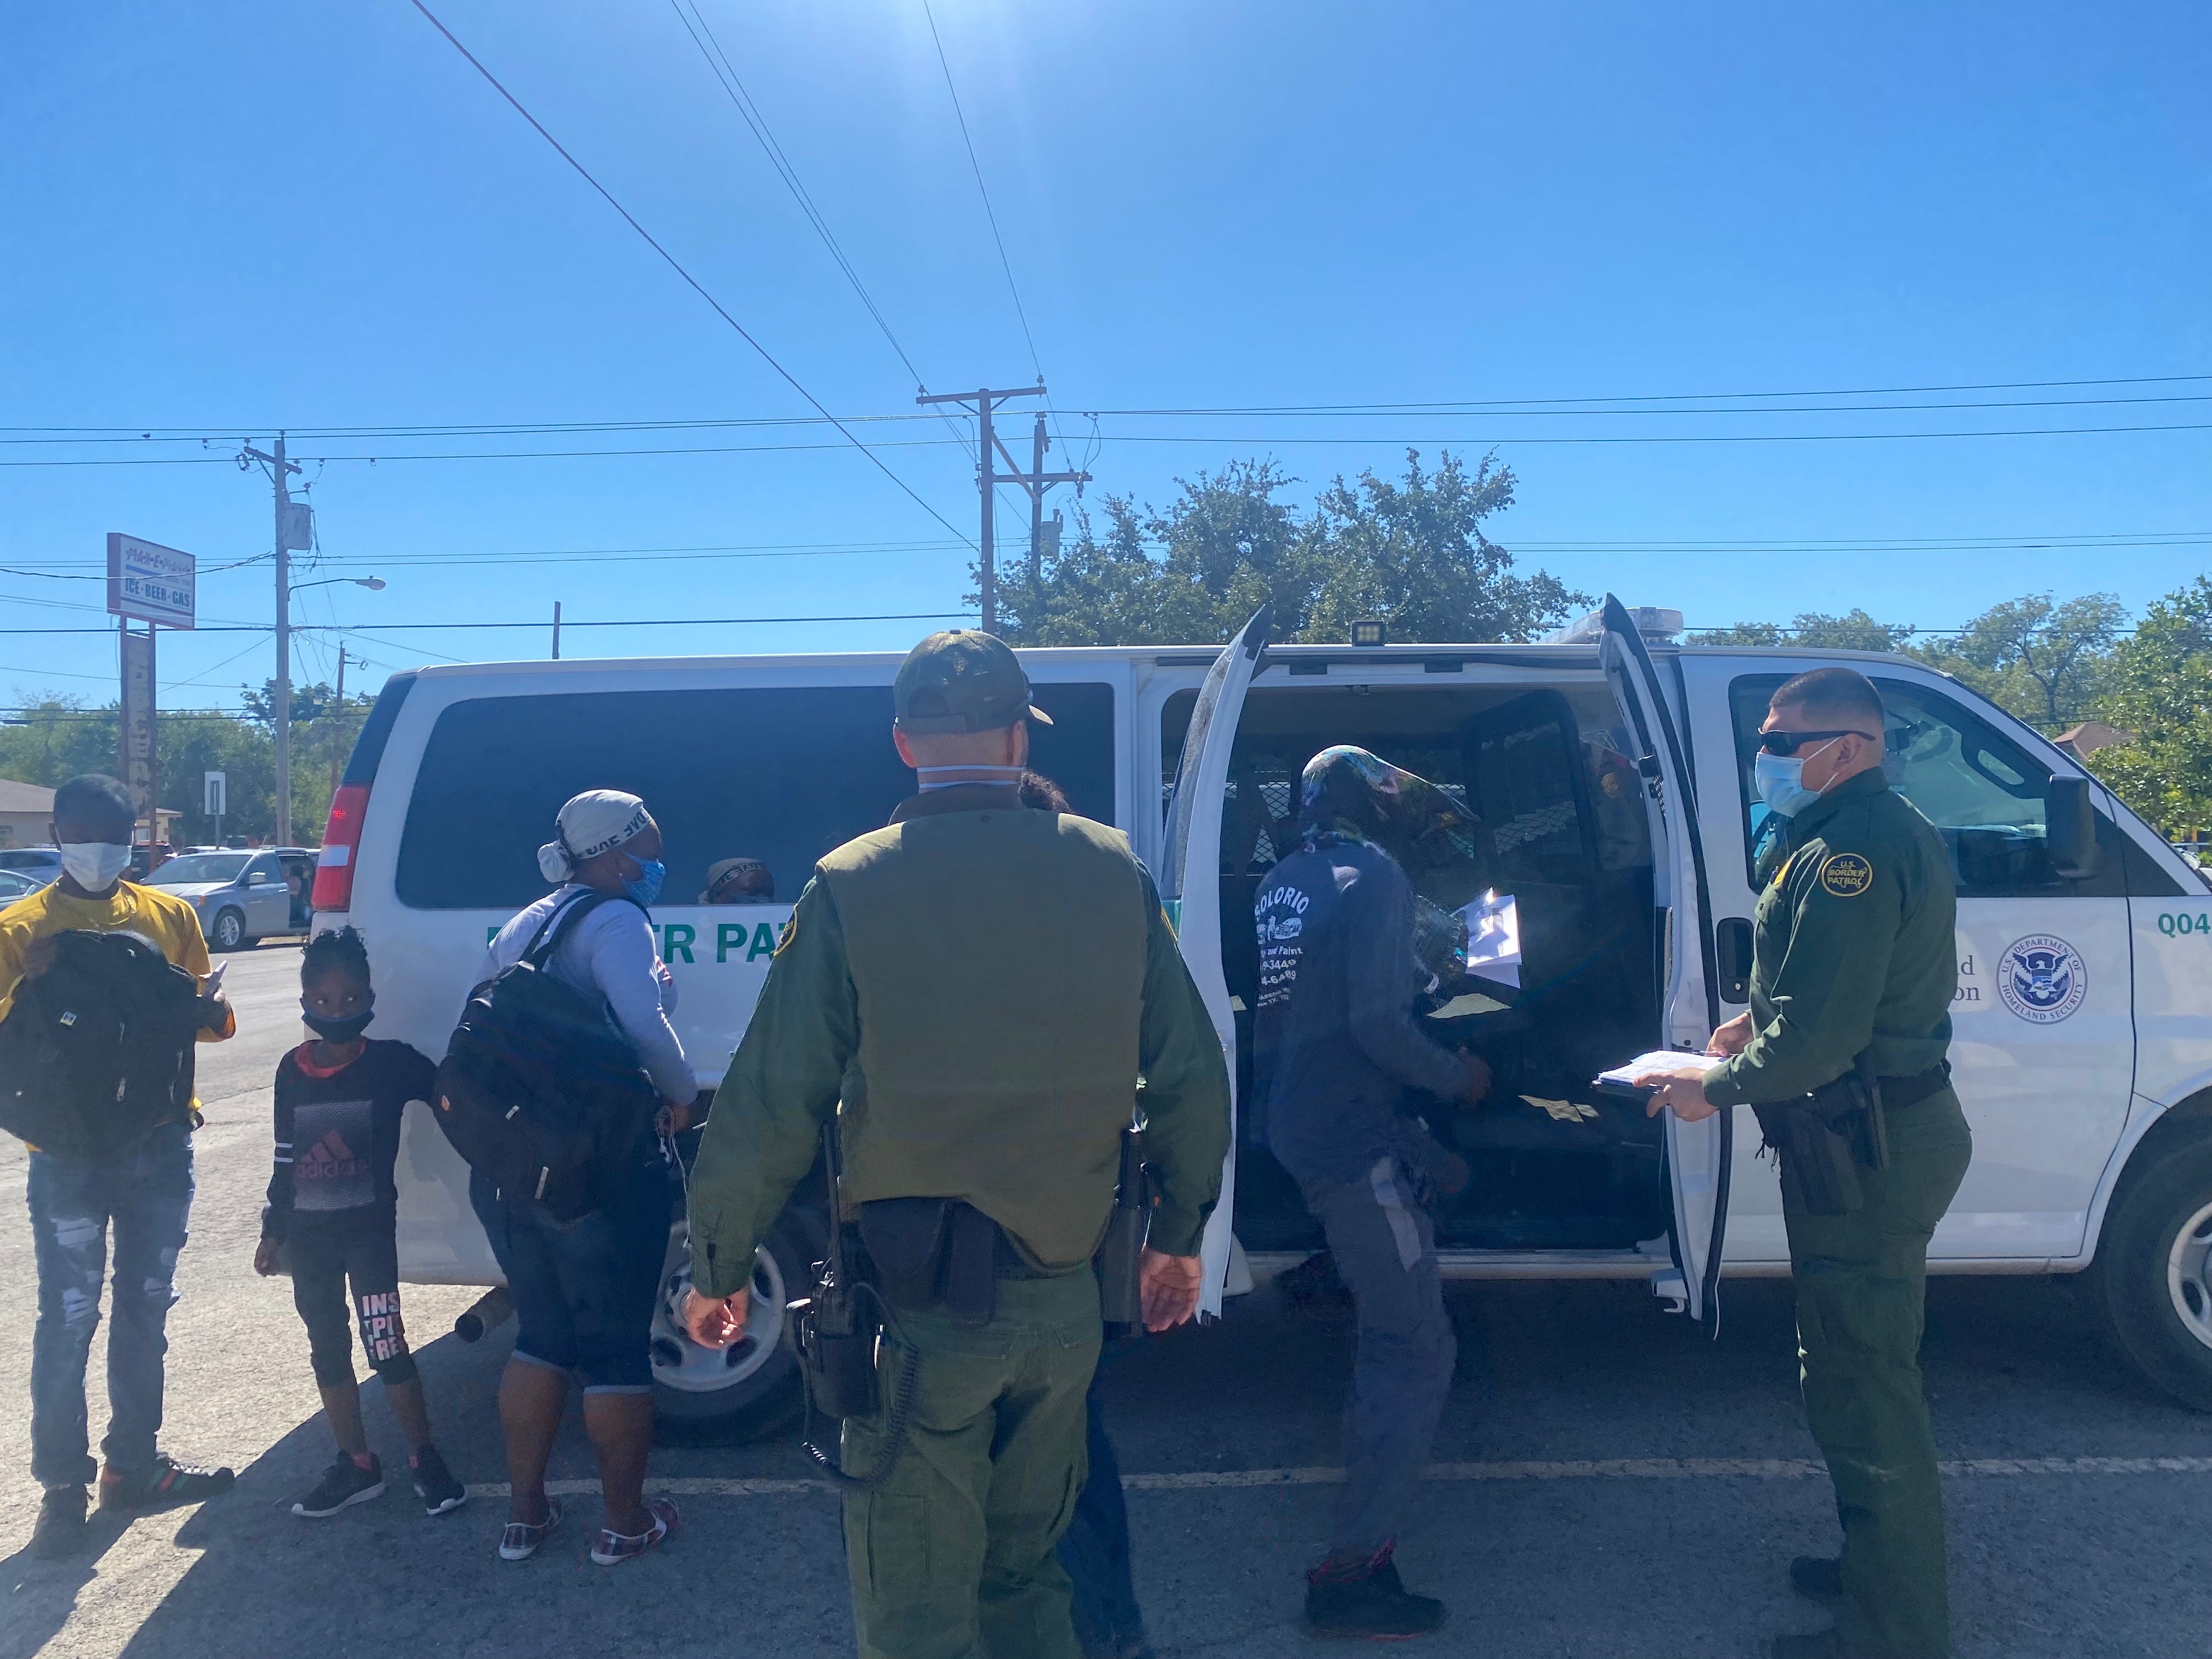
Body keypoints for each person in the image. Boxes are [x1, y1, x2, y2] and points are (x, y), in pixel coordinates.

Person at [681, 629, 1231, 1659]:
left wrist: (718, 1265)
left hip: (918, 1310)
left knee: (917, 1612)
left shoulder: (850, 881)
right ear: (1021, 737)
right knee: (1028, 1577)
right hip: (1068, 1301)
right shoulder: (1112, 869)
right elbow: (1193, 1077)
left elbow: (769, 1099)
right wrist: (1180, 1236)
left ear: (903, 744)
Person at [1643, 667, 1969, 1659]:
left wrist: (1716, 1083)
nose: (1769, 757)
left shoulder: (1853, 851)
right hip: (1862, 1137)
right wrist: (1753, 1017)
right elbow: (1816, 997)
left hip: (1867, 1144)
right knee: (1847, 1367)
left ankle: (1894, 1631)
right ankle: (1876, 1563)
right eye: (1768, 740)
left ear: (1850, 746)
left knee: (1864, 1383)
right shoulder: (1839, 831)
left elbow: (1820, 1045)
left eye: (1786, 742)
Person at [1249, 746, 1494, 1640]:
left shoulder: (1284, 877)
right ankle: (1351, 1570)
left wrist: (1419, 1143)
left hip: (1302, 1116)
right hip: (1349, 1144)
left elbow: (1307, 1022)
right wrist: (1453, 1076)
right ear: (1375, 800)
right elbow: (1375, 1025)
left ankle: (1335, 1275)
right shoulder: (1378, 874)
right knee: (1415, 1346)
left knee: (1392, 1281)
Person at [0, 774, 237, 1558]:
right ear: (59, 833)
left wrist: (209, 1011)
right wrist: (28, 989)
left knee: (146, 1307)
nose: (100, 846)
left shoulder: (171, 915)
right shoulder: (19, 928)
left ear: (134, 834)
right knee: (68, 1321)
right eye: (83, 830)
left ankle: (134, 1467)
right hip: (65, 1153)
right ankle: (62, 1487)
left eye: (115, 832)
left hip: (157, 1142)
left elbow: (209, 1021)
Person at [471, 789, 693, 1566]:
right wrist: (683, 1094)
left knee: (541, 1336)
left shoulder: (529, 921)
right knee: (616, 1347)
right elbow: (645, 1025)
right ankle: (623, 1524)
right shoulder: (617, 920)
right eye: (650, 849)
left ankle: (525, 1519)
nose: (657, 864)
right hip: (596, 1171)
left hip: (511, 1167)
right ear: (614, 852)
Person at [254, 926, 468, 1519]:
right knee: (327, 1349)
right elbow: (285, 1157)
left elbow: (454, 1099)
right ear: (304, 1002)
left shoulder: (393, 1064)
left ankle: (425, 1457)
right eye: (323, 1001)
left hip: (369, 1238)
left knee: (387, 1345)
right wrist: (273, 1230)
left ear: (371, 996)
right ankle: (356, 1463)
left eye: (350, 999)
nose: (338, 1011)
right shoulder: (289, 1072)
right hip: (309, 1242)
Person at [698, 855, 774, 904]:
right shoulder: (699, 926)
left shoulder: (782, 926)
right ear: (718, 897)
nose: (764, 899)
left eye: (770, 893)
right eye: (753, 893)